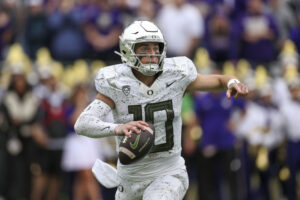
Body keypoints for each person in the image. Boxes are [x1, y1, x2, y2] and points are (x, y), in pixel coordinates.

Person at [74, 20, 248, 200]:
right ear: (127, 50)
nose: (152, 54)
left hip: (168, 173)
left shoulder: (176, 75)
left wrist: (232, 82)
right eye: (144, 48)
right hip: (130, 179)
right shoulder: (117, 82)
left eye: (155, 48)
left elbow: (219, 80)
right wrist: (118, 128)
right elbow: (83, 124)